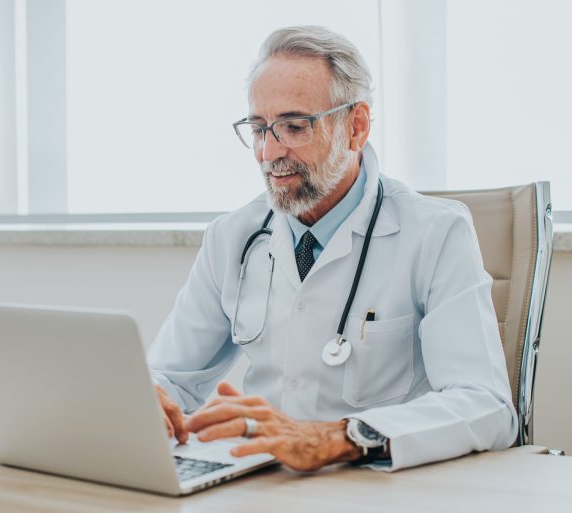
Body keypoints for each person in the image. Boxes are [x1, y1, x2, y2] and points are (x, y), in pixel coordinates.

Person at [148, 25, 517, 472]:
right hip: (264, 481)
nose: (268, 152)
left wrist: (340, 437)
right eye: (259, 129)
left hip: (379, 485)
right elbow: (169, 376)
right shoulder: (231, 237)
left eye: (293, 127)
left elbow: (486, 406)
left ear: (356, 127)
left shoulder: (436, 233)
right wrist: (149, 397)